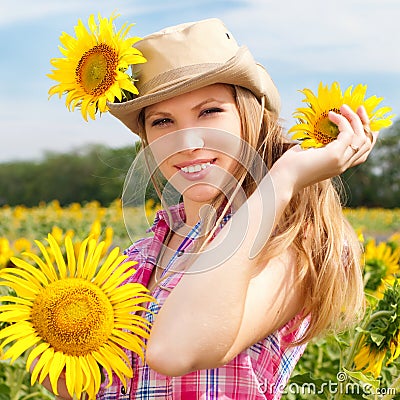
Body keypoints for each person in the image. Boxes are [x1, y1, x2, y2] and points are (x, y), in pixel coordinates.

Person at [50, 18, 375, 399]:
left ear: (249, 118)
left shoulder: (288, 243)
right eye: (162, 121)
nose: (187, 141)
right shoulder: (140, 255)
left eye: (209, 112)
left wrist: (283, 179)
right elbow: (77, 385)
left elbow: (174, 351)